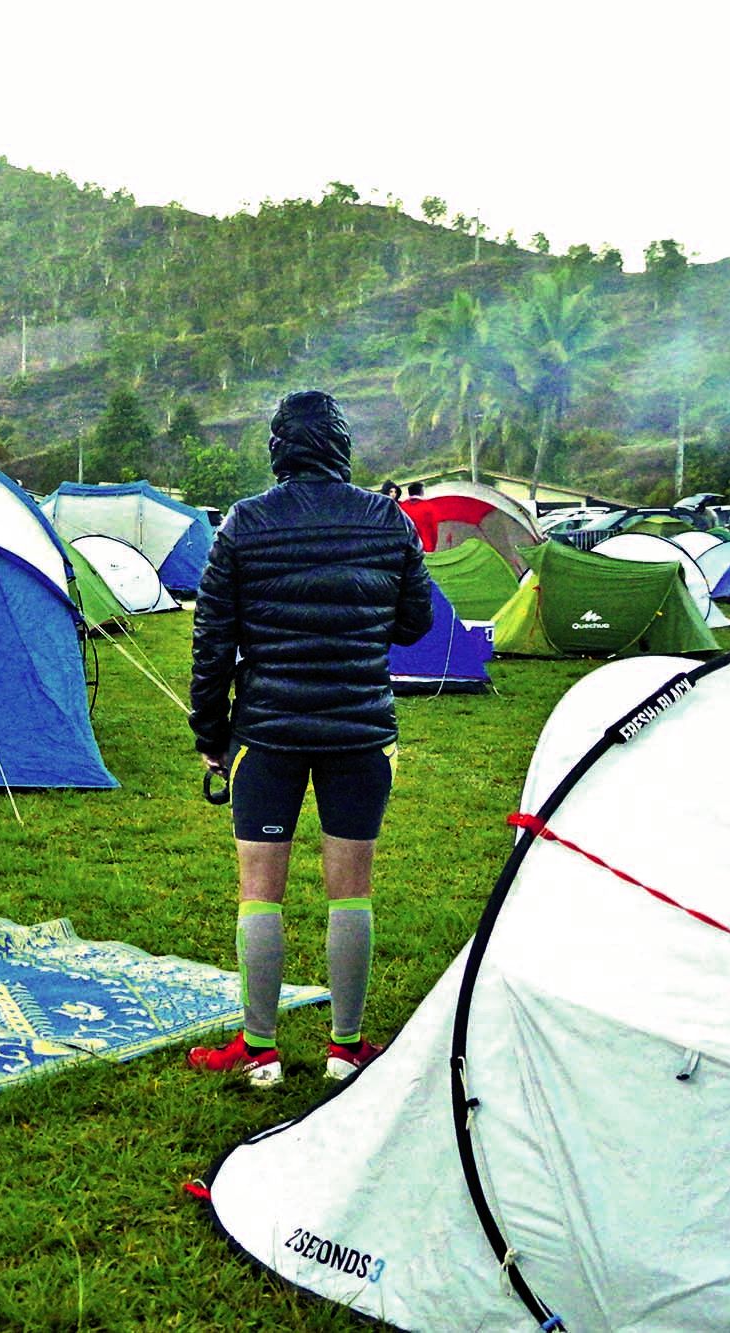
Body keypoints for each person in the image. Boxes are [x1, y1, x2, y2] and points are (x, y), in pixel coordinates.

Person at [185, 390, 434, 1088]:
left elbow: (212, 640)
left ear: (276, 448)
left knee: (259, 887)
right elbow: (415, 621)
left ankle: (259, 1049)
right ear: (341, 445)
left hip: (265, 731)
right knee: (349, 885)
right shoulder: (388, 519)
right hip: (359, 727)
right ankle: (344, 1048)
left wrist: (210, 732)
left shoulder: (244, 523)